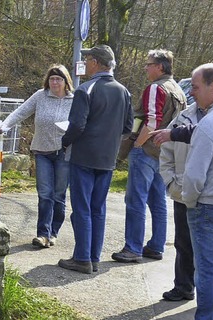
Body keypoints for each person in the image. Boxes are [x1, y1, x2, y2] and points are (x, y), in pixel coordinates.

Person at [57, 45, 133, 274]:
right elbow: (128, 127)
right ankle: (93, 257)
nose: (86, 63)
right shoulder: (124, 91)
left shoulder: (86, 90)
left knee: (82, 208)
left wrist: (64, 142)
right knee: (98, 209)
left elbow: (77, 124)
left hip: (84, 156)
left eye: (88, 59)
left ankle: (81, 258)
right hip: (108, 157)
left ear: (97, 63)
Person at [112, 49, 187, 264]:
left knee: (136, 200)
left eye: (149, 63)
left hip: (147, 151)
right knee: (158, 201)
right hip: (163, 154)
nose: (145, 67)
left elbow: (152, 121)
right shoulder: (178, 89)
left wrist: (137, 144)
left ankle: (133, 248)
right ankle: (156, 246)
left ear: (160, 67)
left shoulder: (156, 88)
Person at [168, 63, 213, 320]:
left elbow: (194, 174)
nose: (191, 92)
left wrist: (188, 200)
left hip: (208, 207)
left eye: (196, 86)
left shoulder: (211, 123)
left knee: (209, 269)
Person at [0, 64, 74, 247]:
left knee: (58, 195)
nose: (55, 82)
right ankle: (42, 234)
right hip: (42, 151)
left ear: (66, 82)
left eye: (59, 79)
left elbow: (83, 121)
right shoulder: (40, 96)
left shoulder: (75, 99)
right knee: (45, 193)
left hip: (65, 153)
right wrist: (5, 125)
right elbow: (21, 111)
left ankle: (53, 232)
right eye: (52, 79)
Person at [156, 102, 205, 301]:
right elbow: (166, 147)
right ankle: (184, 286)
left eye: (195, 86)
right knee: (183, 242)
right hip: (184, 190)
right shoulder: (185, 115)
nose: (190, 92)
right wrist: (170, 181)